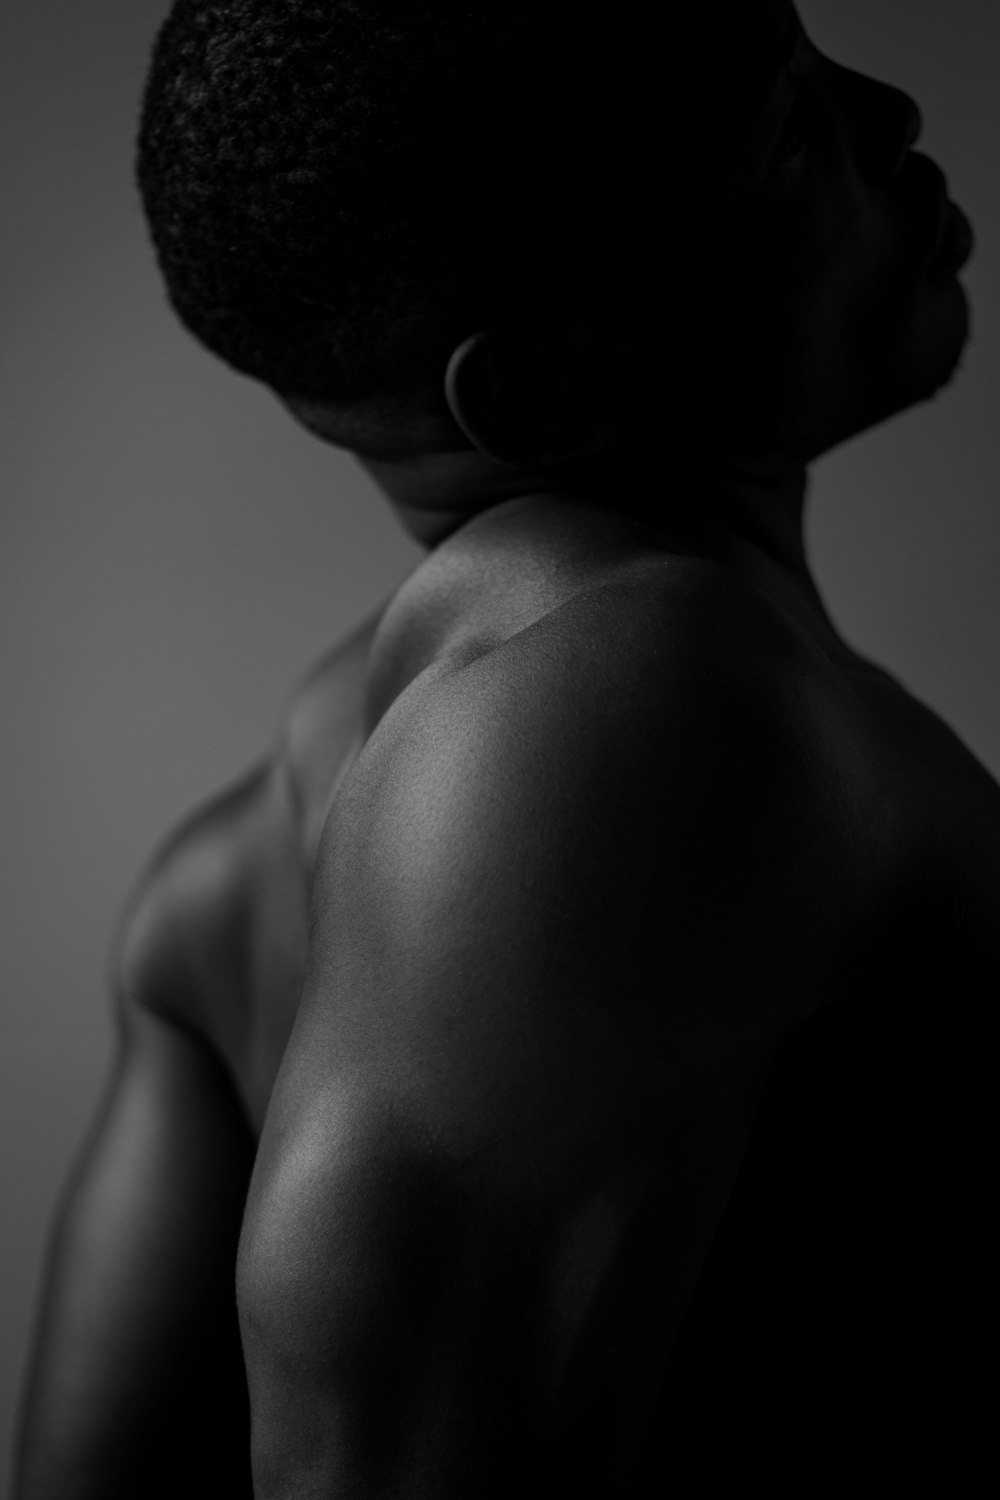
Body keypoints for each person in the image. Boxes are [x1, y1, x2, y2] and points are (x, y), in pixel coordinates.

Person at [13, 1, 992, 1495]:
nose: (891, 114)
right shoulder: (618, 716)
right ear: (540, 392)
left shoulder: (220, 893)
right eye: (789, 137)